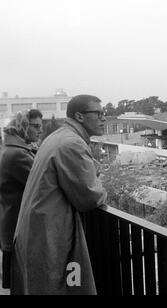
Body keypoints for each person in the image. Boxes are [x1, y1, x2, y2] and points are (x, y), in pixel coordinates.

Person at [11, 95, 107, 295]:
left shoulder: (57, 136)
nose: (103, 118)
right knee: (59, 287)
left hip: (36, 230)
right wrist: (100, 185)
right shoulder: (72, 143)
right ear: (79, 116)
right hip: (47, 235)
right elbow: (90, 197)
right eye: (98, 113)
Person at [0, 109, 43, 289]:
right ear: (22, 127)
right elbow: (44, 183)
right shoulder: (17, 154)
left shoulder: (10, 150)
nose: (40, 130)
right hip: (19, 230)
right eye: (35, 126)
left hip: (10, 225)